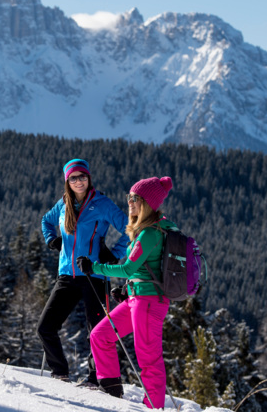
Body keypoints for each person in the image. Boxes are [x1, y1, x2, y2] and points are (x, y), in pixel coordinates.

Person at [76, 176, 174, 407]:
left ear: (147, 202)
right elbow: (141, 268)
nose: (129, 202)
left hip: (149, 302)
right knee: (101, 335)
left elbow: (129, 266)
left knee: (149, 360)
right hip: (137, 298)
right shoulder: (144, 231)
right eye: (129, 197)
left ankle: (154, 407)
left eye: (135, 198)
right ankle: (111, 391)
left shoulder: (151, 233)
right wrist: (128, 288)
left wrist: (94, 267)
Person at [39, 158, 129, 386]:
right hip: (67, 276)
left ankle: (94, 379)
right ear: (67, 181)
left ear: (89, 178)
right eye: (73, 178)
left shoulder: (102, 203)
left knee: (97, 332)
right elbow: (46, 221)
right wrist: (52, 240)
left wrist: (115, 252)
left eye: (83, 177)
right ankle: (59, 373)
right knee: (45, 327)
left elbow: (130, 227)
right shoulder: (62, 205)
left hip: (94, 275)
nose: (79, 181)